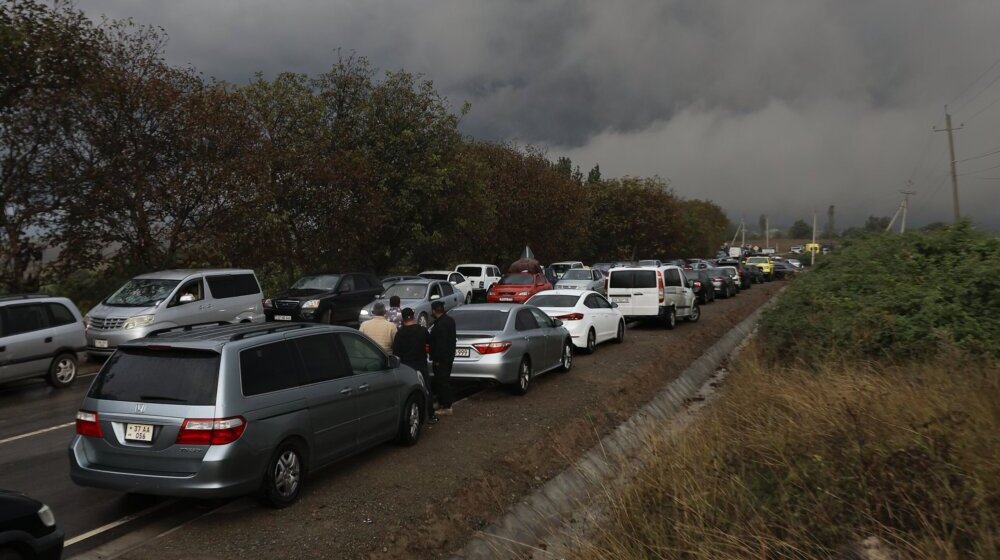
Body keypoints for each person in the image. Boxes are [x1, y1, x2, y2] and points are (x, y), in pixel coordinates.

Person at [392, 307, 438, 423]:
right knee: (426, 389)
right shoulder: (422, 330)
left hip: (406, 366)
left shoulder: (399, 333)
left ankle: (411, 416)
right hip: (420, 364)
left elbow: (395, 353)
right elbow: (431, 342)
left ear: (402, 319)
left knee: (409, 392)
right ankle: (431, 415)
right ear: (413, 317)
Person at [427, 300, 456, 416]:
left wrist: (437, 359)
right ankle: (442, 402)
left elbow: (440, 344)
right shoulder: (449, 321)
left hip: (442, 359)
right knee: (442, 381)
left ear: (434, 311)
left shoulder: (440, 325)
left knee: (442, 382)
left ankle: (447, 406)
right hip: (448, 357)